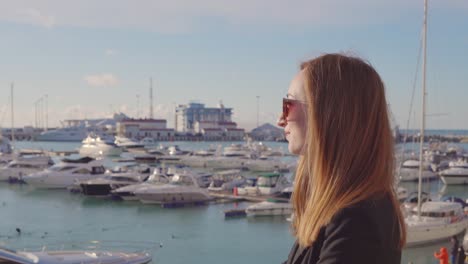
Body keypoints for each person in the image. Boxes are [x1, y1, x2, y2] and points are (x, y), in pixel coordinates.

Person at [279, 54, 406, 264]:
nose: (280, 119)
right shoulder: (343, 208)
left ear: (326, 114)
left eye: (288, 104)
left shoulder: (355, 222)